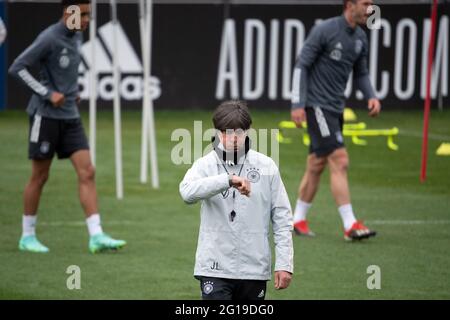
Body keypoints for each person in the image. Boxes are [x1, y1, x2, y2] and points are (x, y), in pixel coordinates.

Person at [8, 0, 126, 253]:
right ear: (67, 13)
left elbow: (63, 75)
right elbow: (17, 68)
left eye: (88, 15)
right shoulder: (49, 37)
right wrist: (47, 93)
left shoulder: (77, 37)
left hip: (70, 116)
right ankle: (27, 236)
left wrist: (72, 93)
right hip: (44, 116)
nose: (86, 20)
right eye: (82, 15)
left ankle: (97, 235)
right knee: (40, 177)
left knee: (87, 172)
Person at [179, 100, 294, 300]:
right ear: (217, 132)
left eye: (239, 132)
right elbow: (187, 193)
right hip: (215, 268)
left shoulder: (266, 166)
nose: (233, 138)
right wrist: (227, 180)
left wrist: (285, 264)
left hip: (254, 269)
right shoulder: (205, 165)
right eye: (226, 132)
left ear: (248, 131)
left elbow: (282, 218)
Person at [290, 0, 381, 241]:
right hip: (316, 106)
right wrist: (298, 104)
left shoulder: (361, 38)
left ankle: (296, 219)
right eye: (365, 3)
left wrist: (371, 96)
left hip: (335, 109)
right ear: (349, 5)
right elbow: (302, 65)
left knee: (316, 164)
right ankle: (350, 224)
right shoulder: (325, 30)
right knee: (339, 159)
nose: (370, 8)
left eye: (372, 3)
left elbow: (361, 73)